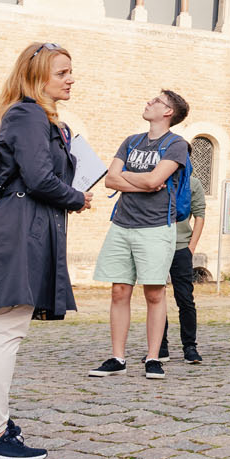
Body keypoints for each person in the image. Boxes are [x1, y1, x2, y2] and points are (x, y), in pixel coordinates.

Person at [0, 42, 91, 459]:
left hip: (25, 229)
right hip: (18, 232)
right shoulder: (27, 114)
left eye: (70, 72)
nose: (71, 78)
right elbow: (39, 178)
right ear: (37, 78)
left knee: (8, 332)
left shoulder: (35, 117)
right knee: (5, 333)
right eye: (62, 73)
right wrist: (76, 196)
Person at [90, 90, 190, 380]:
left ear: (168, 112)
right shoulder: (131, 141)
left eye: (157, 101)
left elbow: (154, 180)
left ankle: (153, 357)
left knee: (154, 293)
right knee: (119, 291)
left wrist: (133, 179)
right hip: (122, 224)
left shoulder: (176, 144)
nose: (149, 102)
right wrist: (143, 183)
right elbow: (109, 179)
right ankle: (117, 357)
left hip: (156, 227)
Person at [158, 176, 206, 363]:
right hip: (158, 246)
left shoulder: (193, 183)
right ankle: (160, 347)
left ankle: (190, 347)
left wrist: (191, 247)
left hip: (181, 248)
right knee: (156, 298)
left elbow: (199, 215)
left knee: (185, 298)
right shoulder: (158, 179)